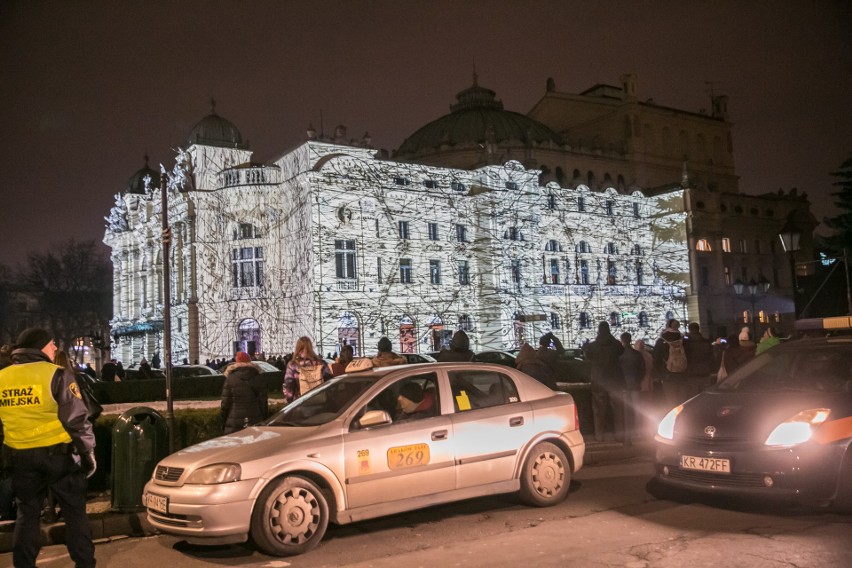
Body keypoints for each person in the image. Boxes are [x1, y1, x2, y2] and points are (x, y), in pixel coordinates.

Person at [0, 328, 96, 567]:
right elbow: (76, 419)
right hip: (59, 457)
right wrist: (88, 452)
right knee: (75, 514)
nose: (55, 348)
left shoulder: (3, 377)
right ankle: (84, 563)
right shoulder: (57, 374)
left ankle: (23, 564)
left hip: (20, 457)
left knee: (27, 514)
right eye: (52, 344)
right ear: (40, 347)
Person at [583, 321, 625, 442]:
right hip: (614, 382)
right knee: (617, 410)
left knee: (598, 411)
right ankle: (619, 434)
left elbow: (587, 356)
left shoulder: (593, 346)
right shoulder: (616, 345)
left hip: (598, 383)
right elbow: (621, 351)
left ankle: (599, 435)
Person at [221, 352, 268, 434]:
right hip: (255, 417)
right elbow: (263, 402)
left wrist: (223, 420)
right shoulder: (258, 377)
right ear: (249, 361)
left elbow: (225, 404)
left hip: (234, 418)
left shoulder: (230, 378)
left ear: (237, 362)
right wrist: (263, 417)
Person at [283, 336, 331, 403]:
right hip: (320, 403)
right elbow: (330, 384)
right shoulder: (321, 364)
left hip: (300, 405)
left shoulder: (293, 365)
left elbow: (288, 387)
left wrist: (290, 402)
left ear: (298, 349)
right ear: (311, 347)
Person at [654, 319, 688, 408]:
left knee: (671, 401)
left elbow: (656, 358)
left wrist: (659, 374)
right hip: (682, 373)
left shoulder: (662, 340)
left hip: (667, 374)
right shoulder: (683, 339)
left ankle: (674, 420)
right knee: (683, 402)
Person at [619, 332, 644, 442]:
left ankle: (627, 432)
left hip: (624, 384)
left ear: (622, 341)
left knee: (625, 410)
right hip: (635, 384)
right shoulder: (637, 354)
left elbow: (617, 370)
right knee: (637, 409)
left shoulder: (619, 355)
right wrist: (638, 380)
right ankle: (638, 431)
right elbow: (642, 370)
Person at [683, 322, 715, 395]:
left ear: (689, 329)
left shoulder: (686, 343)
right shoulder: (706, 342)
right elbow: (711, 357)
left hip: (692, 374)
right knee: (705, 396)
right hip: (705, 372)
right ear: (698, 329)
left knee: (693, 397)